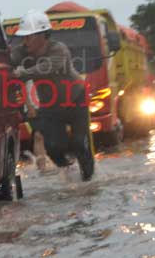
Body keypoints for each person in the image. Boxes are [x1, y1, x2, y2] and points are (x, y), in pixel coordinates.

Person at [10, 10, 94, 181]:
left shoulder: (59, 50)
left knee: (79, 143)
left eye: (29, 37)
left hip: (76, 99)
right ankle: (67, 170)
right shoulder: (22, 52)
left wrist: (22, 73)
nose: (25, 41)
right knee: (53, 147)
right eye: (23, 37)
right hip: (51, 105)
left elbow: (45, 68)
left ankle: (88, 178)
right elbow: (7, 61)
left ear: (42, 35)